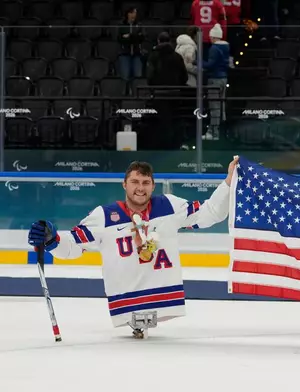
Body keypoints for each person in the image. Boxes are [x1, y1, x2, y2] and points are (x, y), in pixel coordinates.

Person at [27, 157, 238, 338]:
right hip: (125, 304)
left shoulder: (169, 206)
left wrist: (229, 181)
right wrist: (51, 239)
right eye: (135, 181)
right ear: (124, 184)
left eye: (146, 182)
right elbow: (72, 247)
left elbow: (210, 213)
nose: (140, 187)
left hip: (165, 300)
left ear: (153, 186)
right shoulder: (104, 216)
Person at [202, 23, 230, 141]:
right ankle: (218, 131)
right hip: (224, 79)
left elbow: (210, 65)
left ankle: (213, 133)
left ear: (213, 37)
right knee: (221, 106)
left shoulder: (214, 48)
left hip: (214, 80)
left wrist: (199, 62)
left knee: (214, 107)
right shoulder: (226, 47)